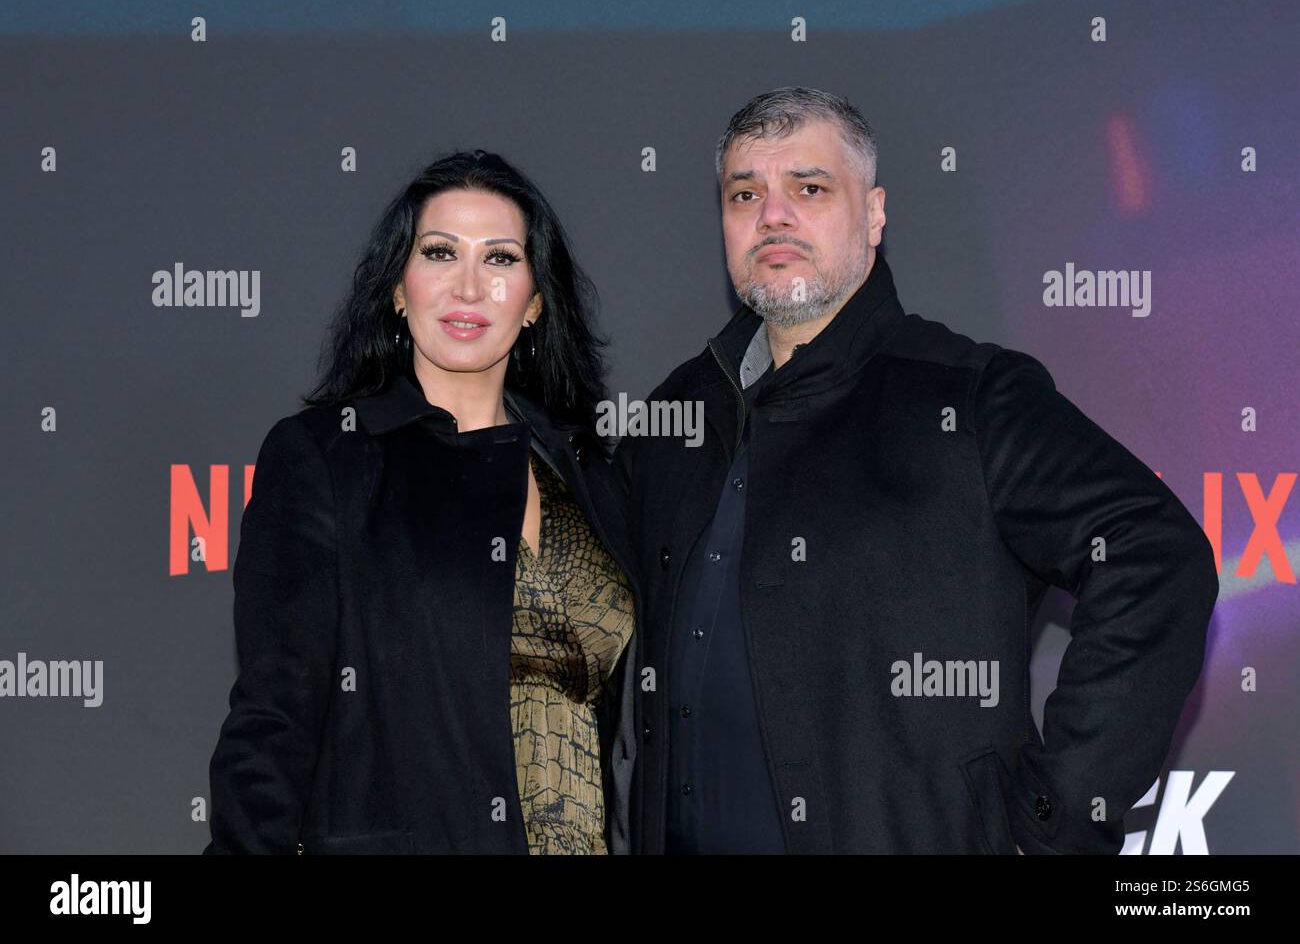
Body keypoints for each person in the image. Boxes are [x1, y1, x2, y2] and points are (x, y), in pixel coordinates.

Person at [616, 87, 1219, 854]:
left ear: (873, 215)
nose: (773, 215)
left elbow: (1154, 554)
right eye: (745, 193)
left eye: (808, 187)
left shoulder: (967, 393)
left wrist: (1053, 813)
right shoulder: (674, 420)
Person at [204, 149, 640, 854]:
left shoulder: (591, 475)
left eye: (499, 259)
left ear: (534, 302)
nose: (468, 287)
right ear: (399, 289)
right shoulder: (328, 457)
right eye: (440, 253)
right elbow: (273, 720)